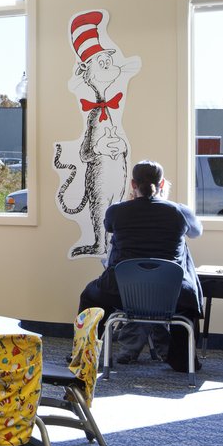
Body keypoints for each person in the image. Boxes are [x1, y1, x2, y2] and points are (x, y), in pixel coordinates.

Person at [79, 159, 204, 371]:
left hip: (122, 291)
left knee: (89, 296)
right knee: (187, 302)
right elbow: (196, 232)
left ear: (132, 184)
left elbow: (110, 227)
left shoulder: (116, 211)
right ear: (162, 183)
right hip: (170, 293)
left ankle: (84, 355)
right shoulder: (179, 211)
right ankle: (183, 359)